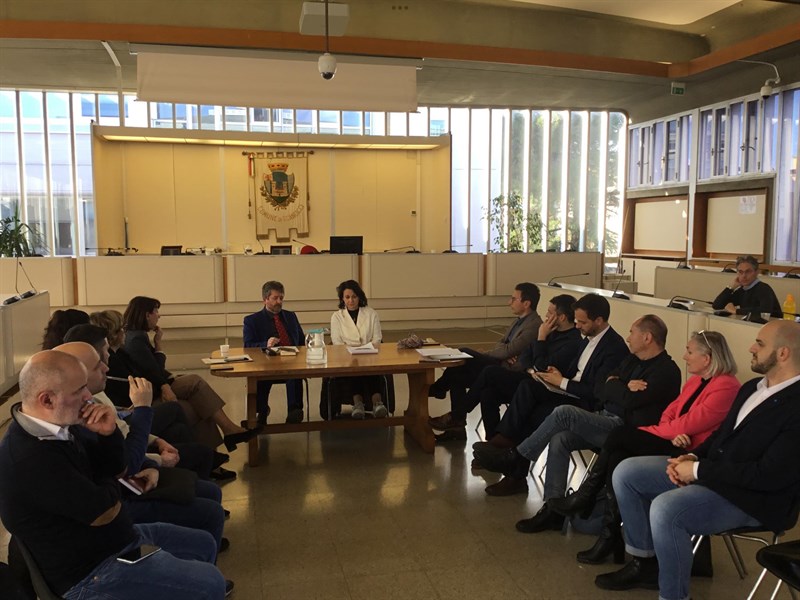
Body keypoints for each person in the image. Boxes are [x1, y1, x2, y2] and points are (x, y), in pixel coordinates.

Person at [595, 320, 800, 600]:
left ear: (783, 353)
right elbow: (721, 436)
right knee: (627, 472)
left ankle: (673, 596)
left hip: (754, 499)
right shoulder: (753, 388)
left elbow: (769, 475)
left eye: (760, 344)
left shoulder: (795, 405)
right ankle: (644, 561)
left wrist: (698, 470)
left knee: (666, 509)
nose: (751, 348)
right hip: (717, 476)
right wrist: (692, 456)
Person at [0, 350, 228, 599]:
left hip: (113, 539)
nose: (89, 397)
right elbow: (106, 511)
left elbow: (118, 469)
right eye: (79, 391)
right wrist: (114, 482)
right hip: (89, 572)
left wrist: (108, 434)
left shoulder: (59, 425)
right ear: (47, 400)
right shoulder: (29, 458)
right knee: (211, 583)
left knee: (204, 543)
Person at [548, 330, 740, 565]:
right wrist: (669, 429)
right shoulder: (696, 381)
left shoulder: (726, 387)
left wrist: (658, 430)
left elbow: (691, 423)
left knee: (620, 435)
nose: (685, 356)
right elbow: (671, 412)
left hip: (693, 454)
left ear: (707, 358)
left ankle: (589, 502)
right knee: (618, 453)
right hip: (675, 440)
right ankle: (609, 534)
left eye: (689, 352)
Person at [477, 315, 682, 515]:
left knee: (563, 412)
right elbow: (602, 386)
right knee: (560, 438)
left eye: (632, 333)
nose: (628, 338)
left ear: (647, 337)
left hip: (625, 430)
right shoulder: (632, 359)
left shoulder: (666, 371)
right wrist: (621, 385)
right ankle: (552, 507)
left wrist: (616, 384)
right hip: (604, 416)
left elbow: (629, 401)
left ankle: (517, 457)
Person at [475, 293, 629, 485]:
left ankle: (511, 458)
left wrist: (562, 381)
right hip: (569, 392)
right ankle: (509, 456)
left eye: (582, 322)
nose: (577, 326)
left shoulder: (614, 348)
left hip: (586, 404)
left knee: (534, 409)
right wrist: (558, 375)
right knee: (528, 389)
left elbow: (596, 393)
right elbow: (574, 369)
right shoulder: (587, 337)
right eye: (577, 321)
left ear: (598, 320)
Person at [430, 294, 581, 442]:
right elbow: (525, 357)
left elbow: (543, 366)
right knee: (486, 391)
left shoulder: (570, 340)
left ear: (561, 317)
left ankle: (456, 415)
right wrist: (530, 368)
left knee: (488, 370)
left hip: (540, 387)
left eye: (550, 312)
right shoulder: (550, 331)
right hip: (528, 376)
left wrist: (541, 339)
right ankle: (492, 442)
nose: (546, 316)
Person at [123, 296, 260, 451]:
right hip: (152, 391)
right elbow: (154, 370)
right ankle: (226, 433)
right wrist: (164, 382)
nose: (159, 316)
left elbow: (154, 368)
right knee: (195, 383)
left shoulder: (136, 335)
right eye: (156, 311)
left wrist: (158, 345)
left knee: (199, 401)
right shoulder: (136, 339)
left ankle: (213, 449)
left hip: (155, 385)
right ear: (147, 315)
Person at [427, 283, 543, 434]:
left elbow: (508, 350)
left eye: (514, 299)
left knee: (464, 352)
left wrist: (492, 354)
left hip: (507, 371)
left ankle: (440, 389)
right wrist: (505, 353)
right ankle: (457, 427)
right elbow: (501, 344)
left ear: (526, 303)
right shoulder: (518, 321)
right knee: (457, 375)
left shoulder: (534, 326)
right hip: (500, 362)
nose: (509, 302)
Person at [243, 280, 305, 424]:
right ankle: (261, 411)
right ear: (265, 299)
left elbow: (301, 342)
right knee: (261, 377)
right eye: (275, 298)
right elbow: (247, 346)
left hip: (291, 362)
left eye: (281, 298)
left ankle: (294, 411)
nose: (279, 302)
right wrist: (265, 344)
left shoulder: (291, 316)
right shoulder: (252, 320)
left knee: (295, 375)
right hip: (266, 363)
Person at [329, 279, 388, 419]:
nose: (351, 301)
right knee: (354, 368)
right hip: (346, 356)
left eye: (354, 297)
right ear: (342, 299)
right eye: (347, 297)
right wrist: (351, 352)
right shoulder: (337, 317)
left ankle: (377, 404)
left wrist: (368, 350)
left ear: (359, 296)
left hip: (370, 354)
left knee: (370, 368)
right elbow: (337, 342)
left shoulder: (371, 313)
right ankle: (358, 404)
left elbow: (377, 338)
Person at [712, 254, 782, 319]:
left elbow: (765, 311)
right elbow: (717, 305)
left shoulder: (764, 288)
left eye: (748, 272)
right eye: (740, 272)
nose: (744, 276)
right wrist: (731, 287)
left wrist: (736, 311)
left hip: (772, 325)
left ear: (757, 272)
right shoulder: (742, 290)